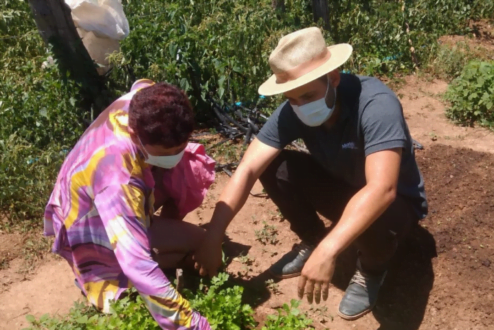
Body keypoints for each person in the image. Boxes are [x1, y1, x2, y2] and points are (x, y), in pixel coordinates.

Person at [193, 27, 428, 320]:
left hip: (395, 207)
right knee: (274, 168)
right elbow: (249, 167)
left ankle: (372, 269)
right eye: (291, 98)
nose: (300, 106)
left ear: (333, 78)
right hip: (347, 188)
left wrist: (330, 251)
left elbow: (382, 190)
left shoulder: (376, 104)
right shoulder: (294, 111)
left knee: (375, 213)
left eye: (307, 95)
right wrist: (213, 236)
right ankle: (312, 238)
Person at [44, 79, 215, 329]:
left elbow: (142, 84)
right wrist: (192, 324)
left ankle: (148, 240)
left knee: (201, 240)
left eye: (179, 147)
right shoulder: (118, 180)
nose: (175, 156)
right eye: (166, 153)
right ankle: (100, 273)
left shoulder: (144, 101)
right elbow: (137, 265)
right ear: (135, 134)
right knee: (137, 278)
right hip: (90, 221)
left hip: (98, 190)